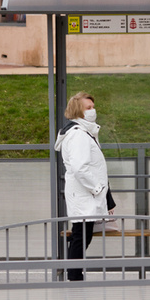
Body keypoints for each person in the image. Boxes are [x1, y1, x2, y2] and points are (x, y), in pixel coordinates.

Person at [54, 91, 115, 281]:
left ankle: (74, 272)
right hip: (85, 195)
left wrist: (107, 198)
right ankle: (74, 275)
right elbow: (81, 168)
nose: (92, 110)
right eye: (88, 108)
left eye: (93, 106)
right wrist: (97, 190)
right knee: (81, 236)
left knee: (83, 235)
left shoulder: (84, 133)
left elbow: (96, 169)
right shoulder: (78, 135)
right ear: (78, 111)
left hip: (85, 195)